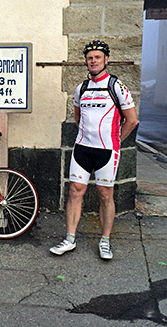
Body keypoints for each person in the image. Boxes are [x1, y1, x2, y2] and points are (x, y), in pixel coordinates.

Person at [50, 40, 138, 260]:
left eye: (98, 57)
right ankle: (69, 239)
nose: (93, 61)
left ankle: (105, 241)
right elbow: (78, 116)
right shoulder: (82, 88)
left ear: (106, 60)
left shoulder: (117, 87)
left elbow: (132, 120)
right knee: (75, 191)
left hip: (107, 150)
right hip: (82, 148)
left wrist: (116, 140)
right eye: (90, 58)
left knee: (105, 194)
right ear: (86, 62)